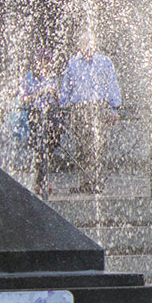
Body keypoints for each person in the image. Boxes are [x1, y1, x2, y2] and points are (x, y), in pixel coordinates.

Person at [58, 30, 121, 194]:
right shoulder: (73, 63)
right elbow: (66, 86)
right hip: (79, 108)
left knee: (98, 145)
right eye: (84, 43)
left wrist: (114, 107)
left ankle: (98, 181)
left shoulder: (104, 62)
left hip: (98, 107)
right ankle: (85, 181)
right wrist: (63, 105)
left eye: (90, 43)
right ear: (79, 46)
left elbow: (112, 84)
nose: (88, 47)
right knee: (81, 146)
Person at [18, 48, 62, 195]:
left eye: (49, 61)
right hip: (35, 116)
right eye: (44, 60)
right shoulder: (30, 77)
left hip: (50, 115)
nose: (47, 64)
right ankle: (41, 181)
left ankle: (40, 179)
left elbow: (58, 99)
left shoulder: (52, 77)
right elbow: (23, 98)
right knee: (40, 147)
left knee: (49, 146)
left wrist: (55, 95)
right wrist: (41, 92)